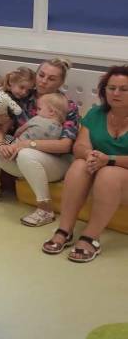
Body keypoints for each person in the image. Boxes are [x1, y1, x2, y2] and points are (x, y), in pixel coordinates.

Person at [42, 65, 128, 262]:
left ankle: (91, 236)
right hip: (100, 168)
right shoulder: (96, 113)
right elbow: (79, 146)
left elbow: (109, 164)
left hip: (118, 176)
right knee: (79, 165)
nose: (116, 93)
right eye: (111, 88)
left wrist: (109, 160)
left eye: (124, 89)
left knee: (109, 173)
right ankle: (65, 229)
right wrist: (90, 154)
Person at [0, 58, 79, 227]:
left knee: (26, 154)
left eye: (51, 78)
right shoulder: (23, 97)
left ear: (61, 82)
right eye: (41, 75)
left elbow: (65, 145)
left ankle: (45, 210)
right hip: (23, 156)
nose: (44, 81)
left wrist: (27, 144)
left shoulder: (66, 105)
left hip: (56, 161)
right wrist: (0, 144)